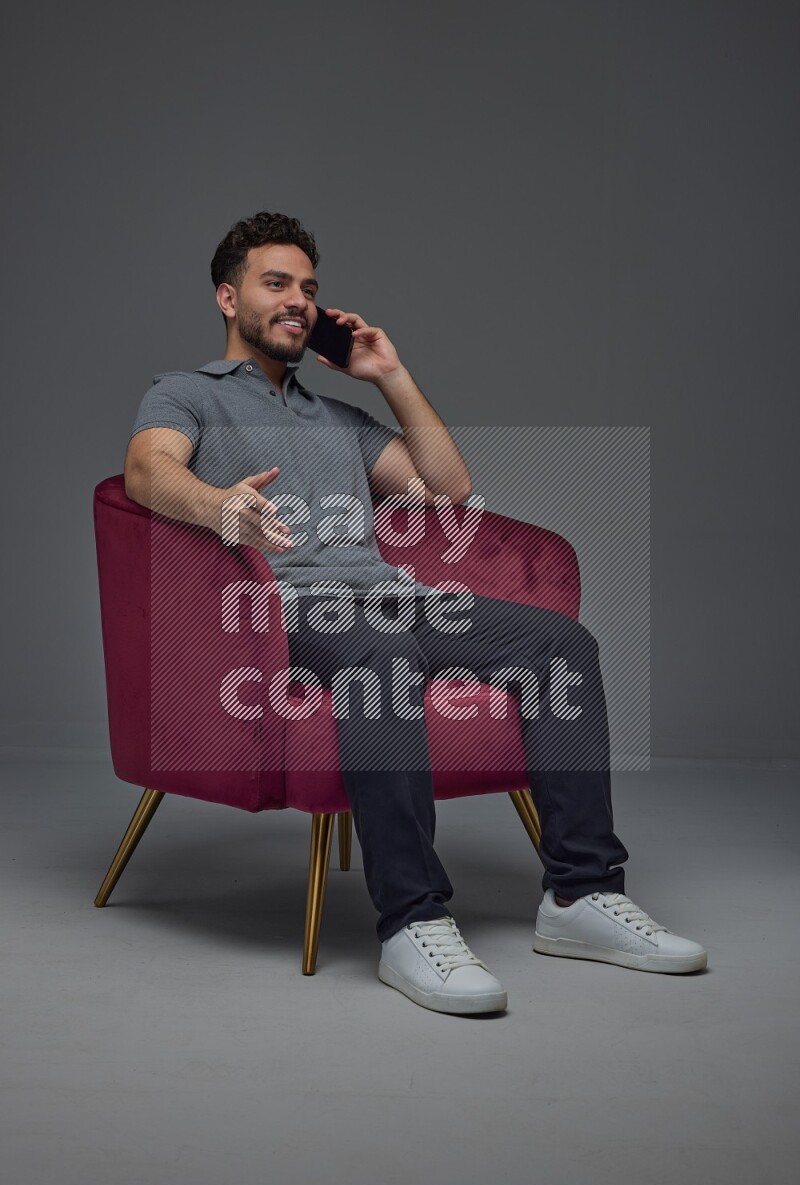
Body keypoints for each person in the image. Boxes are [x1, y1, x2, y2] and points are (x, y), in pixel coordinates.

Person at [124, 211, 708, 1016]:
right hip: (284, 611)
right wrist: (218, 506)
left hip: (394, 600)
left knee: (561, 646)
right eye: (276, 283)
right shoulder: (184, 393)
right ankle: (413, 920)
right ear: (228, 297)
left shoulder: (338, 419)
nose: (298, 300)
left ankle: (579, 896)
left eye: (309, 288)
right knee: (381, 660)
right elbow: (147, 473)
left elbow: (448, 490)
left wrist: (387, 374)